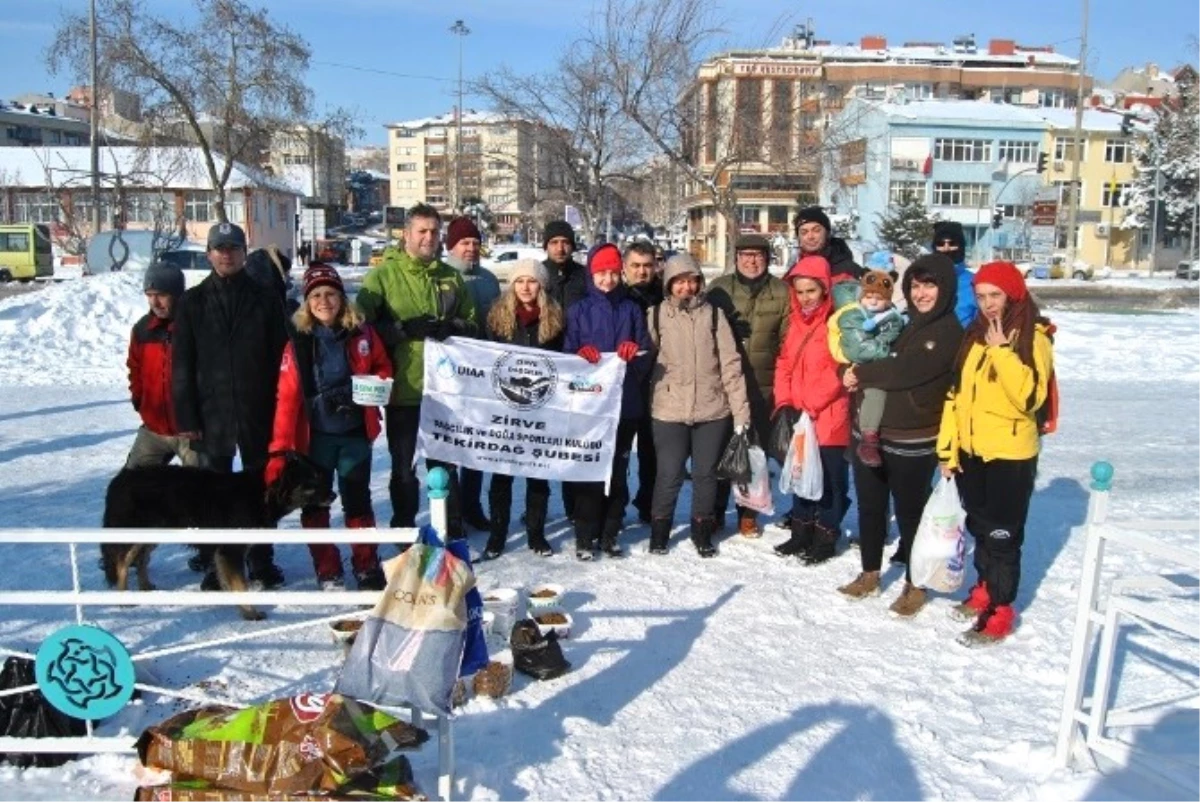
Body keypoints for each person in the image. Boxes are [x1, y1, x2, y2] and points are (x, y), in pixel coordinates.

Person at [837, 254, 964, 616]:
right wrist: (845, 371)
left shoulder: (946, 331)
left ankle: (915, 582)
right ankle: (870, 571)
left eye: (930, 285)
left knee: (911, 513)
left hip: (912, 436)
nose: (922, 293)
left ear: (945, 288)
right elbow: (859, 350)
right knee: (871, 506)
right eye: (916, 285)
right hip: (870, 431)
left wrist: (861, 372)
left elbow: (904, 371)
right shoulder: (901, 321)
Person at [938, 261, 1053, 645]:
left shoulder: (1031, 337)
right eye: (982, 295)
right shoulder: (975, 336)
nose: (988, 304)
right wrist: (948, 449)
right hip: (973, 451)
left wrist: (1003, 352)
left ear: (1013, 294)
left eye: (995, 295)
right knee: (980, 527)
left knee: (1003, 535)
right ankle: (986, 587)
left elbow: (1028, 397)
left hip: (1009, 454)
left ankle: (1001, 609)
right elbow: (957, 398)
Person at [172, 221, 289, 589]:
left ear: (244, 251)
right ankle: (215, 564)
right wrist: (187, 416)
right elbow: (182, 364)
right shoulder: (192, 302)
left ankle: (261, 560)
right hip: (212, 415)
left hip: (258, 411)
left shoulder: (267, 299)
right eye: (220, 248)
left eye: (234, 248)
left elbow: (280, 360)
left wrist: (281, 412)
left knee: (263, 491)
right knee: (212, 495)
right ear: (209, 254)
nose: (227, 254)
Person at [267, 263, 393, 591]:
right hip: (316, 439)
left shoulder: (362, 332)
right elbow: (286, 398)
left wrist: (378, 383)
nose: (325, 301)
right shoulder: (298, 342)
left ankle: (365, 565)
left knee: (358, 502)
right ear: (307, 302)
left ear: (342, 298)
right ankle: (327, 568)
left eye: (331, 294)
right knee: (315, 503)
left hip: (353, 434)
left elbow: (382, 365)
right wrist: (279, 450)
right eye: (317, 295)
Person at [355, 202, 478, 538]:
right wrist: (401, 330)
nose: (428, 238)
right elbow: (359, 330)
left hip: (444, 392)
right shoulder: (382, 276)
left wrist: (451, 327)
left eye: (434, 232)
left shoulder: (450, 277)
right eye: (421, 231)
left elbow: (473, 325)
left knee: (445, 465)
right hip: (403, 391)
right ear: (406, 234)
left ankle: (451, 527)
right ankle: (404, 528)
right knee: (404, 469)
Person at [647, 253, 751, 557]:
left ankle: (702, 531)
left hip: (712, 409)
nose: (686, 287)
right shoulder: (655, 315)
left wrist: (740, 413)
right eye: (679, 281)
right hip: (669, 409)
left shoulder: (714, 316)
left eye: (691, 280)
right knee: (669, 473)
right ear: (669, 284)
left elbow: (731, 365)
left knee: (706, 474)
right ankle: (660, 531)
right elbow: (643, 362)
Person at [564, 243, 652, 560]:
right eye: (602, 273)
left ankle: (610, 532)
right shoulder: (578, 311)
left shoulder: (631, 309)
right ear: (592, 273)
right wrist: (578, 356)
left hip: (624, 405)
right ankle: (585, 536)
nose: (608, 279)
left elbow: (645, 353)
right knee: (589, 471)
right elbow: (566, 353)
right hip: (588, 408)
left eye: (614, 273)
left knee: (617, 471)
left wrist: (634, 351)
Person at [707, 233, 790, 537]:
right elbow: (705, 330)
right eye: (746, 255)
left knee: (755, 452)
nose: (752, 261)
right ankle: (715, 511)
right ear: (736, 258)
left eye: (758, 255)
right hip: (723, 385)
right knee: (719, 450)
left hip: (763, 386)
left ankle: (748, 511)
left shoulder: (781, 292)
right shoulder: (719, 288)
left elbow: (787, 340)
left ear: (768, 258)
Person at [771, 254, 851, 565]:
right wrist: (785, 401)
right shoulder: (795, 324)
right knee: (800, 474)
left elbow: (839, 370)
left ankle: (826, 534)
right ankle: (801, 531)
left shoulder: (838, 323)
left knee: (830, 480)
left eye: (811, 291)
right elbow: (784, 364)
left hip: (829, 416)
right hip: (800, 416)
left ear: (824, 290)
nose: (805, 298)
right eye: (800, 291)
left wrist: (811, 405)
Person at [482, 258, 564, 559]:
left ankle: (536, 533)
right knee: (501, 474)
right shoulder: (496, 317)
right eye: (520, 281)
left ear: (540, 285)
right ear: (512, 285)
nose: (526, 287)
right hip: (504, 407)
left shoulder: (554, 317)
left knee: (537, 474)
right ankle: (497, 535)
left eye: (531, 281)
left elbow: (563, 360)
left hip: (541, 407)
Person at [443, 216, 502, 534]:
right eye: (465, 242)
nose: (471, 248)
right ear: (451, 246)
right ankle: (451, 512)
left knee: (479, 445)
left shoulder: (490, 280)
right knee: (451, 446)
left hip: (484, 373)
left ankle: (471, 504)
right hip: (449, 375)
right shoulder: (440, 277)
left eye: (476, 243)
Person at [124, 261, 200, 469]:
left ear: (177, 295)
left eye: (161, 295)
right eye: (149, 295)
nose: (154, 302)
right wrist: (140, 400)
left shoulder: (196, 327)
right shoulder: (142, 330)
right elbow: (135, 369)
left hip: (190, 431)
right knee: (131, 486)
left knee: (199, 493)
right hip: (154, 428)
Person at [829, 269, 906, 468]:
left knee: (875, 393)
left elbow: (887, 340)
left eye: (878, 298)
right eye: (869, 296)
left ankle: (868, 437)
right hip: (862, 366)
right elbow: (856, 348)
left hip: (876, 369)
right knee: (866, 396)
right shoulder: (855, 314)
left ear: (888, 301)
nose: (872, 302)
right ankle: (862, 439)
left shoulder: (892, 318)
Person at [541, 220, 590, 521]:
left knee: (572, 440)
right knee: (542, 441)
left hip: (575, 367)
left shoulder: (583, 278)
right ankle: (539, 506)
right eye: (554, 242)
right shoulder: (537, 275)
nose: (560, 247)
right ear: (546, 245)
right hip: (543, 365)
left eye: (565, 242)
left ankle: (574, 505)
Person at [621, 240, 664, 523]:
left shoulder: (666, 295)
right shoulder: (617, 298)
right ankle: (616, 505)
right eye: (635, 266)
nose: (642, 272)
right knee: (622, 453)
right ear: (625, 268)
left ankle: (648, 503)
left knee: (652, 453)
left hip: (658, 385)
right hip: (623, 387)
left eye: (647, 266)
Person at [931, 221, 980, 328]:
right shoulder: (924, 280)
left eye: (952, 243)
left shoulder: (975, 282)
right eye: (940, 243)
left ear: (961, 246)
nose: (946, 248)